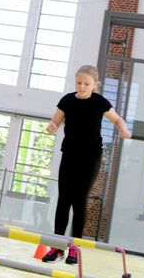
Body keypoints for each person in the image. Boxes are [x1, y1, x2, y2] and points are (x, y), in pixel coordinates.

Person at [42, 65, 131, 265]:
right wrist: (51, 127)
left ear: (94, 84)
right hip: (69, 155)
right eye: (79, 83)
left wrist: (124, 129)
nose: (82, 86)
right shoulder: (67, 100)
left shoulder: (100, 102)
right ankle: (57, 247)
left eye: (86, 84)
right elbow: (54, 123)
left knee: (79, 200)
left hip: (90, 158)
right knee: (63, 200)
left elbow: (117, 119)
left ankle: (75, 249)